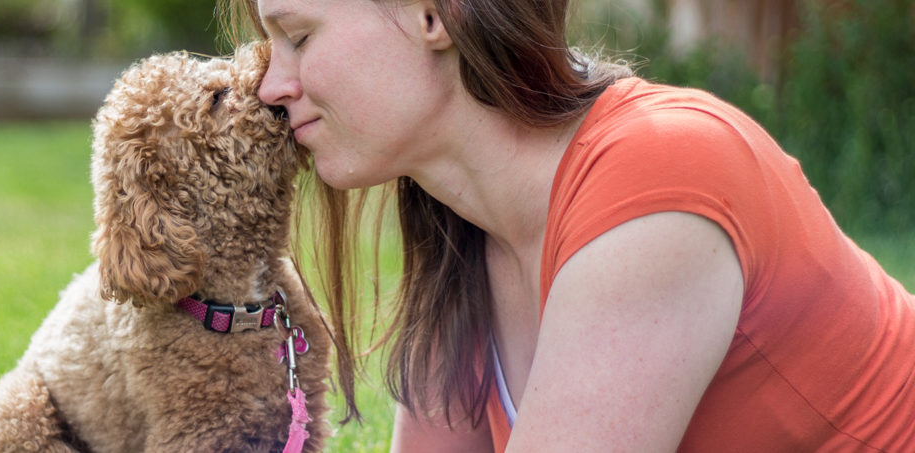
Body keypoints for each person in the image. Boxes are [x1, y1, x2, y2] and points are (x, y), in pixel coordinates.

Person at [218, 0, 915, 451]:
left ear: (434, 15)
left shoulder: (658, 177)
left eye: (299, 37)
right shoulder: (461, 238)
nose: (270, 87)